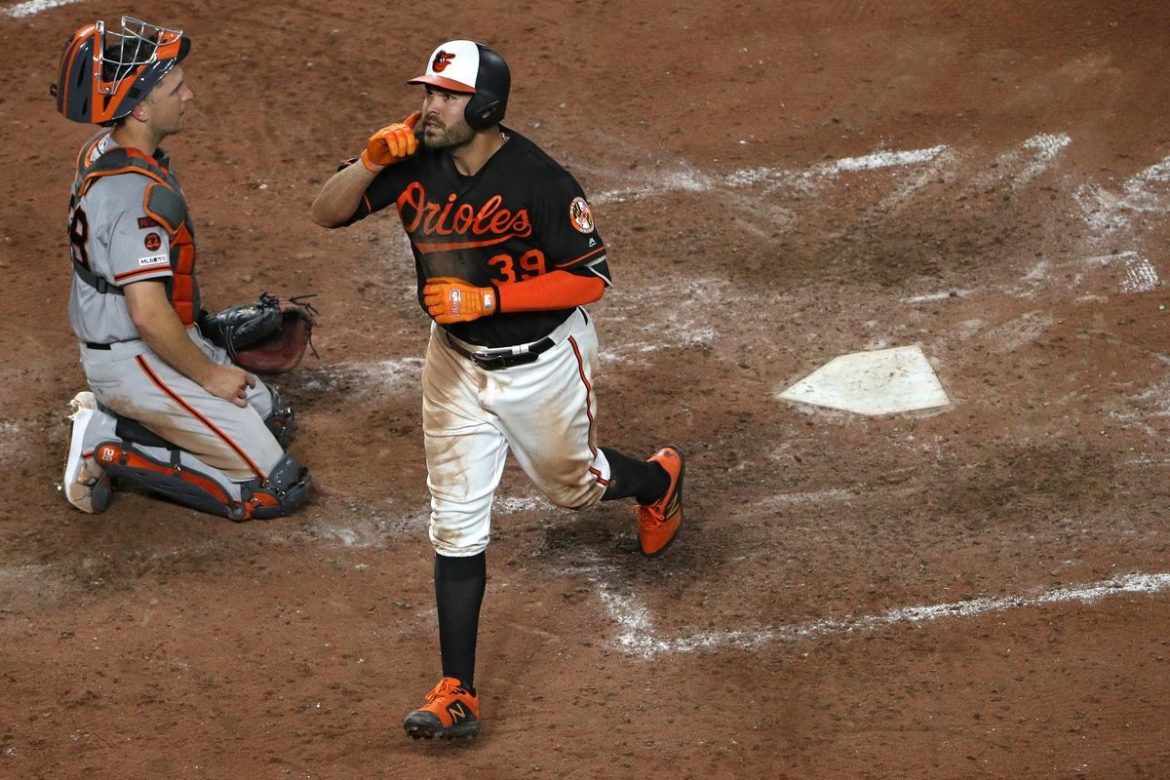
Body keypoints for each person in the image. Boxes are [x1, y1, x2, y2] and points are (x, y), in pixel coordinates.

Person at [311, 39, 685, 740]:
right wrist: (367, 162)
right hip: (451, 365)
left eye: (444, 96)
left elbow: (591, 279)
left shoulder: (541, 181)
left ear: (483, 106)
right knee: (456, 523)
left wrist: (488, 302)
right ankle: (458, 691)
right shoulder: (409, 160)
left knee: (571, 488)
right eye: (428, 92)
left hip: (542, 362)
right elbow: (325, 213)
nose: (428, 106)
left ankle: (656, 480)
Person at [56, 16, 311, 521]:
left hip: (134, 337)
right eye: (176, 88)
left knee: (273, 419)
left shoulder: (106, 152)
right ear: (142, 109)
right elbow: (149, 315)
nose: (189, 95)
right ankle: (106, 442)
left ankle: (137, 419)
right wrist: (210, 374)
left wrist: (199, 328)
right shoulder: (135, 196)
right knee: (275, 488)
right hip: (133, 357)